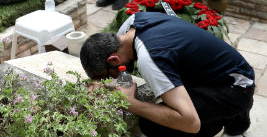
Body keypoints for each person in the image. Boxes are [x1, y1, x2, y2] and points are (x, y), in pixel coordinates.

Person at [80, 12, 255, 137]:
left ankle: (225, 117)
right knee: (170, 94)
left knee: (153, 125)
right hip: (230, 69)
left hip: (235, 88)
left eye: (107, 76)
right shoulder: (132, 24)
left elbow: (190, 123)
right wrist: (99, 81)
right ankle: (232, 113)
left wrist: (130, 102)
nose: (111, 80)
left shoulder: (150, 58)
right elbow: (123, 70)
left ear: (113, 60)